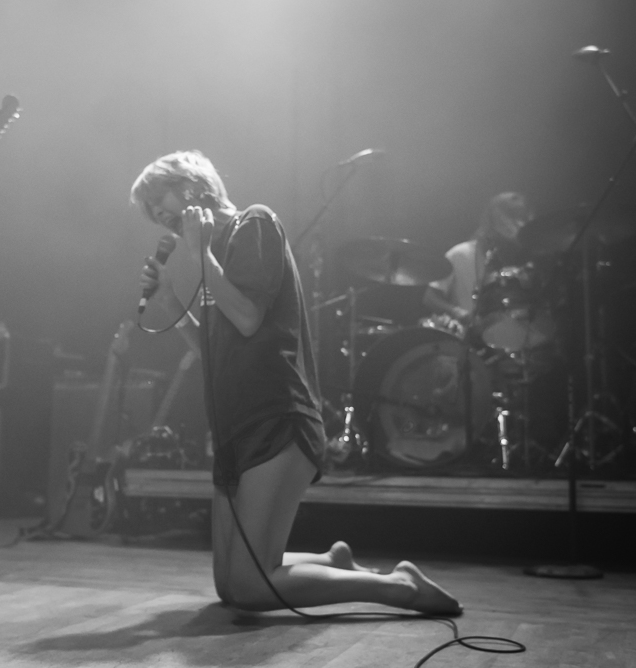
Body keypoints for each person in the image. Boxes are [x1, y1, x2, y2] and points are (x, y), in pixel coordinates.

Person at [131, 150, 461, 614]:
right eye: (148, 210)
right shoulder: (218, 257)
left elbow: (247, 318)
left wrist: (199, 254)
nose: (154, 212)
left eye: (156, 197)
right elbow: (213, 352)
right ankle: (332, 562)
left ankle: (397, 586)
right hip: (236, 425)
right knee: (230, 586)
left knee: (249, 588)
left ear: (191, 186)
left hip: (276, 417)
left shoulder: (255, 224)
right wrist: (169, 300)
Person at [423, 192, 535, 332]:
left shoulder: (527, 263)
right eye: (507, 219)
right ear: (492, 223)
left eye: (521, 219)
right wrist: (457, 312)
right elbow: (430, 297)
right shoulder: (460, 254)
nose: (514, 226)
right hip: (462, 336)